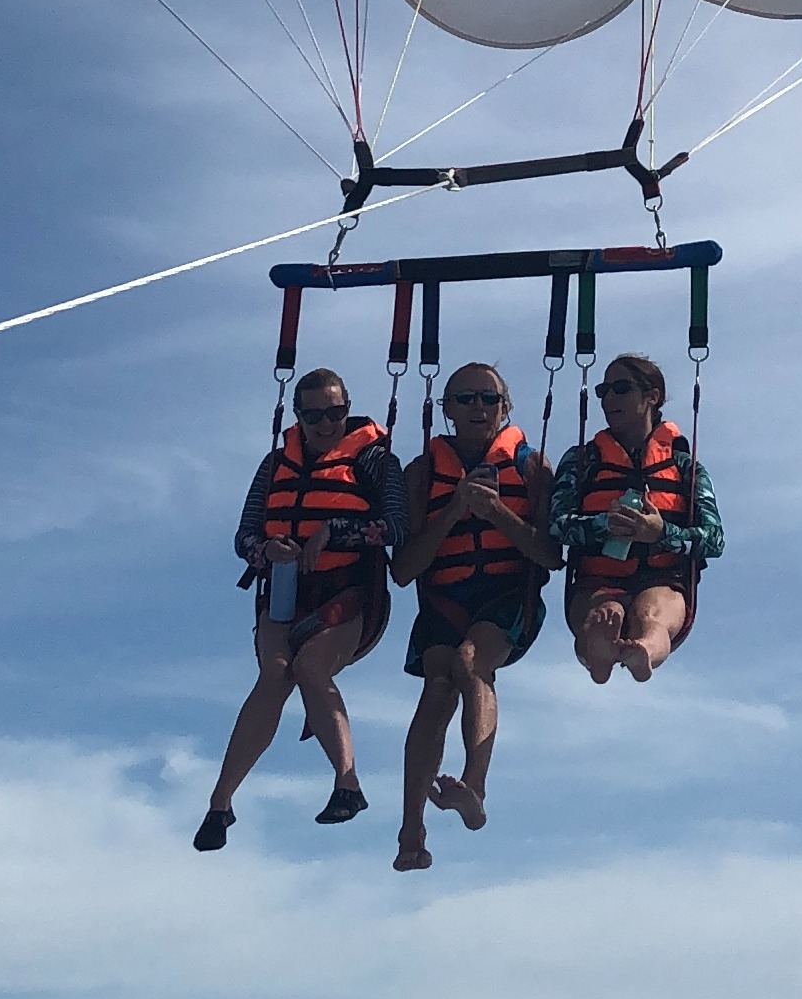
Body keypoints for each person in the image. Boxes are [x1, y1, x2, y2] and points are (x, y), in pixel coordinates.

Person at [194, 368, 405, 852]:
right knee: (275, 673)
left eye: (335, 413)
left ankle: (348, 784)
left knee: (310, 667)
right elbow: (244, 534)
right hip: (285, 590)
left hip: (348, 589)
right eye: (314, 416)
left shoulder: (375, 460)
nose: (326, 424)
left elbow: (396, 525)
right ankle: (220, 805)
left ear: (347, 409)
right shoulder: (275, 464)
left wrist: (335, 531)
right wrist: (265, 550)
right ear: (298, 417)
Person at [387, 364, 558, 872]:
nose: (478, 407)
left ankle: (474, 789)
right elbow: (403, 571)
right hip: (443, 595)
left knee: (469, 662)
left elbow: (551, 556)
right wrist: (453, 511)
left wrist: (498, 513)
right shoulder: (422, 474)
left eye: (488, 398)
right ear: (447, 410)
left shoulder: (532, 468)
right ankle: (411, 828)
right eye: (465, 399)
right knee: (438, 687)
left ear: (505, 408)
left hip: (508, 593)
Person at [550, 354, 723, 684]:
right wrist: (604, 525)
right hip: (597, 579)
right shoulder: (582, 461)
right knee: (604, 613)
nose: (609, 399)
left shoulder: (686, 467)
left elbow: (714, 539)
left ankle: (643, 650)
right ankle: (599, 650)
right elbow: (557, 525)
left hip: (663, 579)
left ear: (652, 396)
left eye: (621, 389)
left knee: (650, 616)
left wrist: (661, 532)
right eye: (603, 391)